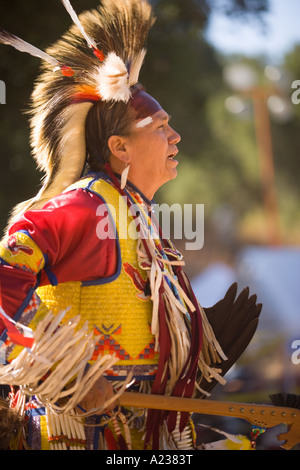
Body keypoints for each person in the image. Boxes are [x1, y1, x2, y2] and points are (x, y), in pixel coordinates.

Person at [0, 0, 262, 450]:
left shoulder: (135, 218)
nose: (175, 136)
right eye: (160, 126)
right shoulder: (83, 208)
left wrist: (191, 362)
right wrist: (69, 372)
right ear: (120, 147)